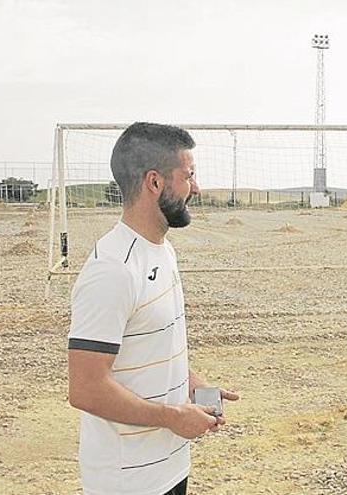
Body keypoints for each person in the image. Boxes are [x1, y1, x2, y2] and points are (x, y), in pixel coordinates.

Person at [68, 122, 239, 495]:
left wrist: (194, 385)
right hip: (128, 480)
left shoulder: (162, 250)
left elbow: (156, 343)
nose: (197, 188)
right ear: (155, 182)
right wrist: (172, 417)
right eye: (188, 176)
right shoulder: (112, 270)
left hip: (169, 465)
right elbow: (86, 388)